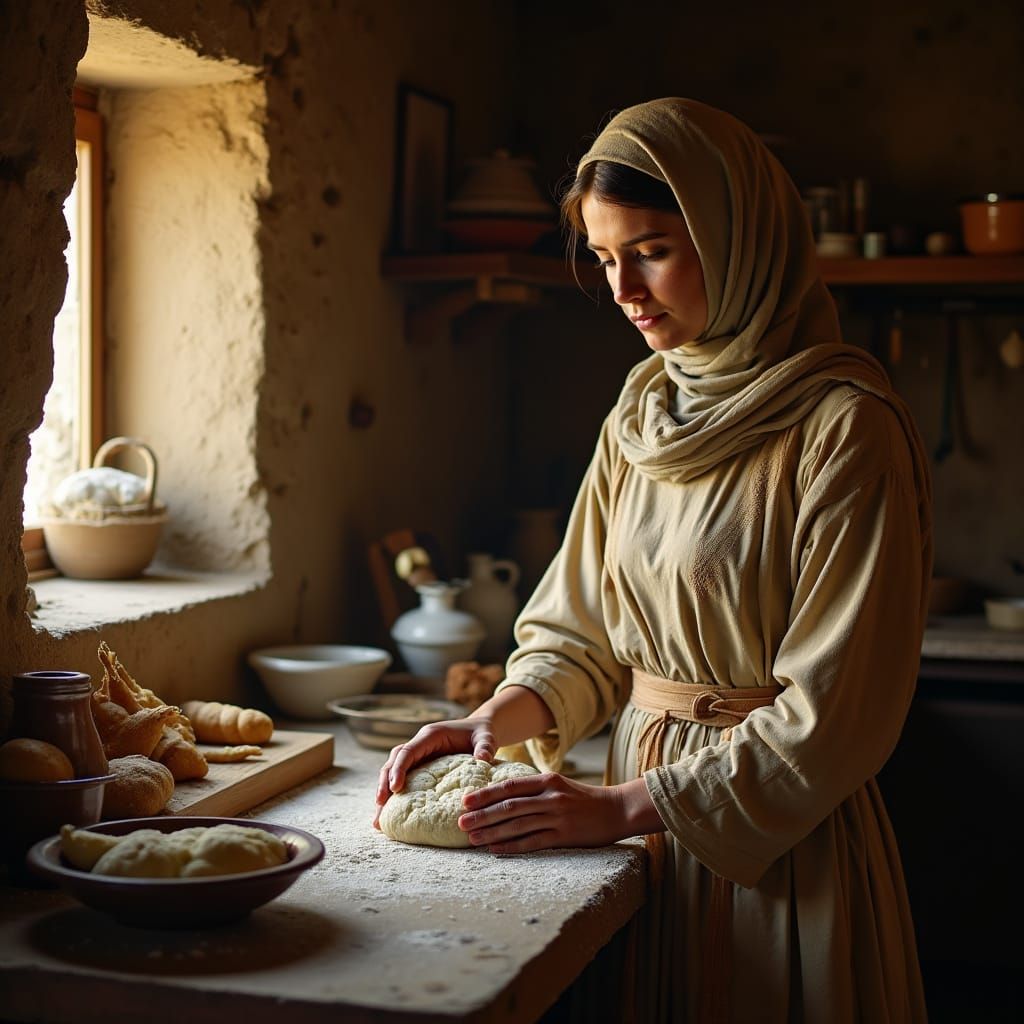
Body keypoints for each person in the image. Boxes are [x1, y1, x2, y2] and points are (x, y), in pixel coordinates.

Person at [374, 97, 932, 1023]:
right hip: (640, 827)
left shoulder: (845, 427)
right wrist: (496, 719)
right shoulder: (642, 415)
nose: (624, 290)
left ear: (738, 234)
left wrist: (626, 807)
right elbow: (581, 629)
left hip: (781, 843)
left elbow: (836, 715)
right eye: (603, 259)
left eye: (653, 249)